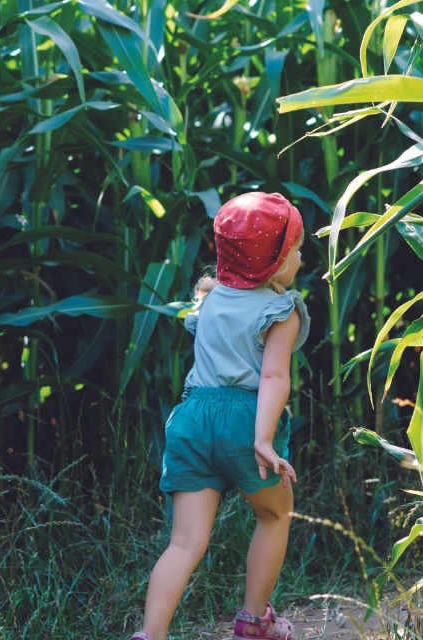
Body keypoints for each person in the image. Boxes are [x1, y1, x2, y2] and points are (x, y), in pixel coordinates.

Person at [131, 192, 309, 640]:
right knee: (274, 515)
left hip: (191, 418)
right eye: (295, 249)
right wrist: (263, 440)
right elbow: (272, 376)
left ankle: (149, 635)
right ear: (275, 261)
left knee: (185, 543)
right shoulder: (279, 310)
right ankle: (254, 621)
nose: (301, 256)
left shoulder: (208, 300)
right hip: (244, 420)